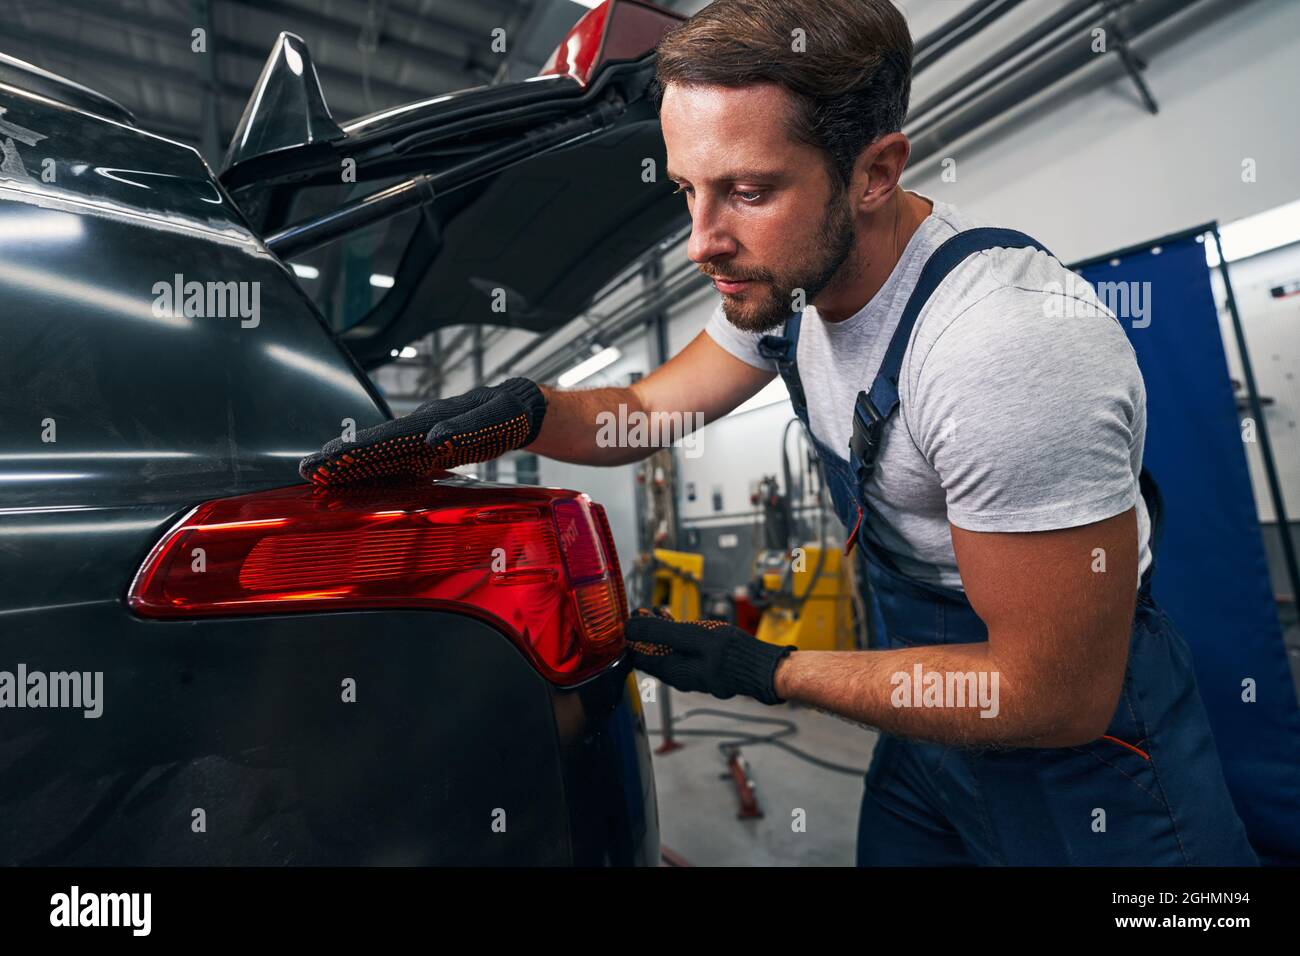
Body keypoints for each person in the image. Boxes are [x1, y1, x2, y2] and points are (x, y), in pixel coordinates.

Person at [300, 0, 1256, 866]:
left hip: (1088, 772)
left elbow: (1052, 694)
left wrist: (765, 668)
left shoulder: (1001, 346)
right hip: (930, 740)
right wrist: (523, 413)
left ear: (877, 170)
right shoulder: (784, 293)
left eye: (748, 191)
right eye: (686, 189)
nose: (700, 239)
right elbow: (646, 412)